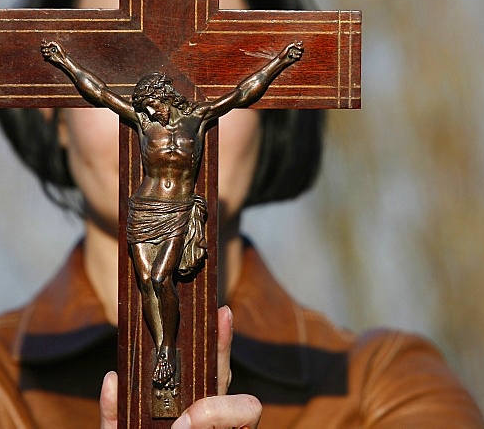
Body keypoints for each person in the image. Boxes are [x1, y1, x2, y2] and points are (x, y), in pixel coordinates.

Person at [0, 0, 484, 427]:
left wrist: (279, 60)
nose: (171, 82)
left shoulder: (381, 389)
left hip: (187, 222)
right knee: (155, 287)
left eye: (212, 63)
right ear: (52, 115)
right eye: (118, 59)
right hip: (151, 219)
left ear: (275, 114)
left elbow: (244, 85)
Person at [41, 37, 304, 389]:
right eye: (145, 107)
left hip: (177, 209)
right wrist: (65, 63)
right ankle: (161, 345)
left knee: (162, 278)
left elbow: (243, 92)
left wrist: (280, 62)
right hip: (144, 208)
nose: (151, 112)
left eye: (153, 105)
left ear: (165, 96)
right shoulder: (142, 124)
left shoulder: (197, 119)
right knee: (146, 282)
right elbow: (99, 93)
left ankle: (166, 347)